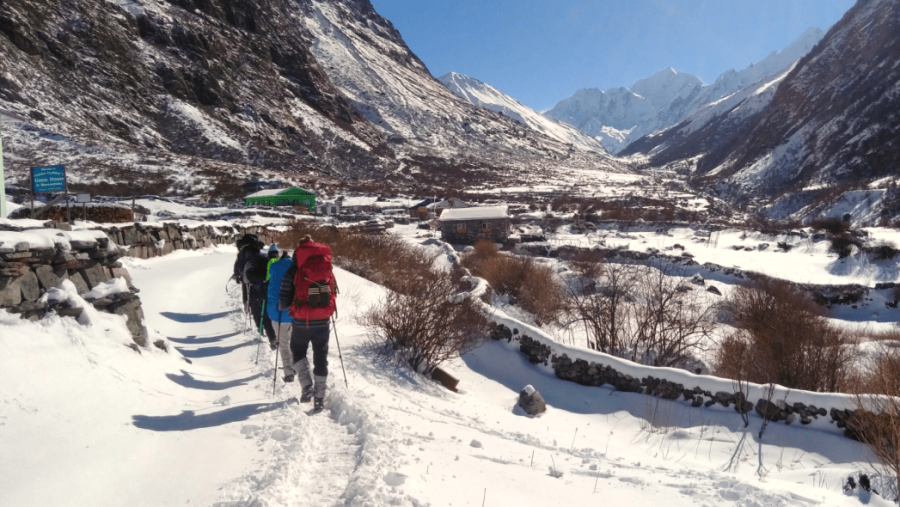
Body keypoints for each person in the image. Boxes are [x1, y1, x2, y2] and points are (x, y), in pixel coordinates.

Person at [278, 235, 337, 410]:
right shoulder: (327, 270)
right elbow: (333, 293)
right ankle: (319, 398)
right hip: (323, 321)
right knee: (321, 357)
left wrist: (281, 308)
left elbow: (283, 302)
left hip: (301, 322)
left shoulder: (293, 271)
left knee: (297, 352)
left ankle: (306, 386)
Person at [266, 248, 294, 382]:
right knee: (294, 342)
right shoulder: (296, 268)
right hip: (294, 312)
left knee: (283, 344)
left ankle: (288, 372)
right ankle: (295, 365)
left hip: (276, 313)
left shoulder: (273, 267)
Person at [243, 242, 277, 349]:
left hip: (256, 289)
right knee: (267, 313)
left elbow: (246, 279)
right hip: (268, 289)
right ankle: (273, 337)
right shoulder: (269, 260)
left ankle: (261, 330)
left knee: (258, 311)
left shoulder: (251, 262)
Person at [233, 234, 262, 314]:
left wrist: (237, 274)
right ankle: (254, 306)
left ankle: (246, 306)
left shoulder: (242, 250)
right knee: (255, 290)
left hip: (244, 275)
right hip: (255, 274)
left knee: (245, 291)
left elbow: (238, 263)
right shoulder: (256, 249)